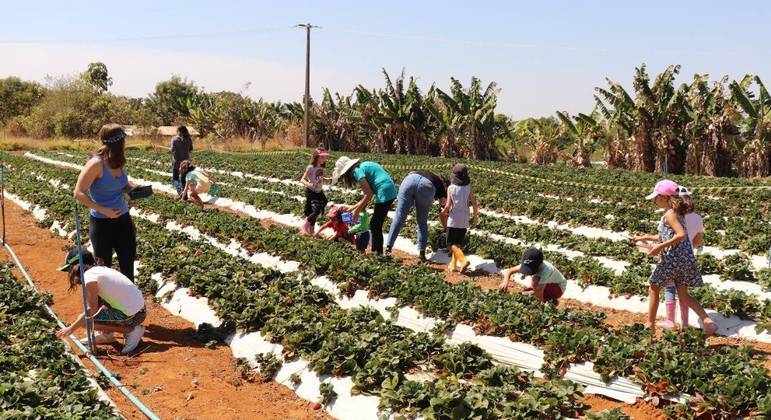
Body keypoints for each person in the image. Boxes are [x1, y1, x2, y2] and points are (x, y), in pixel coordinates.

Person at [633, 180, 717, 335]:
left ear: (665, 197)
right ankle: (707, 321)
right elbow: (666, 234)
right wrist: (646, 237)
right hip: (686, 258)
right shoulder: (679, 213)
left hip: (672, 259)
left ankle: (649, 324)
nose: (654, 201)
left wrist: (659, 247)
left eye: (656, 197)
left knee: (653, 287)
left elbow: (681, 234)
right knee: (684, 294)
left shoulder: (670, 214)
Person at [74, 124, 137, 281]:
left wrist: (133, 189)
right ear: (118, 141)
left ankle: (130, 304)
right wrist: (104, 210)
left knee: (128, 265)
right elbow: (78, 193)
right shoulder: (96, 164)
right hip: (102, 224)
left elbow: (122, 185)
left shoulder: (117, 160)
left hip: (123, 221)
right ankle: (106, 304)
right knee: (104, 269)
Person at [55, 247, 146, 354]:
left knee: (86, 322)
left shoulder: (89, 277)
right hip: (140, 309)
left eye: (70, 269)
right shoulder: (100, 270)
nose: (70, 274)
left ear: (76, 266)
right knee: (94, 308)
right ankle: (106, 334)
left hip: (134, 316)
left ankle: (132, 331)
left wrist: (70, 329)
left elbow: (91, 309)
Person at [330, 156, 397, 255]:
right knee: (376, 224)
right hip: (389, 189)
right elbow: (368, 194)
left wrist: (356, 211)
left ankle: (377, 253)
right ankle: (377, 252)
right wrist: (353, 208)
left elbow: (368, 194)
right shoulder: (363, 166)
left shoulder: (356, 171)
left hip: (384, 191)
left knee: (375, 225)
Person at [659, 186, 705, 328]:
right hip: (687, 257)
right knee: (683, 291)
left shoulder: (675, 215)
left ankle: (670, 321)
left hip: (671, 256)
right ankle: (684, 323)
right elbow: (698, 242)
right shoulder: (697, 218)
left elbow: (667, 235)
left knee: (669, 288)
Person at [385, 171, 449, 261]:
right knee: (421, 221)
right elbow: (443, 208)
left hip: (409, 180)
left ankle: (388, 248)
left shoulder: (425, 173)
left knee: (399, 216)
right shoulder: (440, 185)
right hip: (426, 186)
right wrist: (447, 227)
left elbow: (411, 174)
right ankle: (421, 254)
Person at [440, 164, 478, 272]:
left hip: (453, 219)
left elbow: (447, 206)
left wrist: (443, 213)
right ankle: (453, 265)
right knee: (458, 243)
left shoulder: (450, 188)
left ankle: (463, 260)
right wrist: (475, 218)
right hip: (464, 219)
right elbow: (474, 203)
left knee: (451, 245)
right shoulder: (469, 187)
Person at [497, 247, 567, 303]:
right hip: (545, 285)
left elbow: (539, 291)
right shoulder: (529, 262)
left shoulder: (547, 270)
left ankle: (549, 299)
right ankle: (549, 300)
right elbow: (509, 271)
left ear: (540, 264)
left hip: (558, 288)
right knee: (528, 292)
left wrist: (539, 307)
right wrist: (505, 282)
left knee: (535, 281)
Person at [299, 148, 330, 235]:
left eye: (325, 157)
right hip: (311, 191)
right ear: (316, 157)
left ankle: (311, 231)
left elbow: (319, 178)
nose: (324, 159)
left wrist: (327, 179)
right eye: (322, 157)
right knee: (315, 210)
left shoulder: (322, 168)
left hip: (319, 191)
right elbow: (302, 179)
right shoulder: (310, 167)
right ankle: (305, 225)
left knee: (323, 203)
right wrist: (310, 185)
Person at [168, 126, 194, 195]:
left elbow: (172, 150)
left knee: (175, 179)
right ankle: (184, 195)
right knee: (184, 179)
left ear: (178, 131)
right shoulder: (189, 139)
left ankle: (180, 192)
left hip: (177, 163)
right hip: (186, 163)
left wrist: (169, 151)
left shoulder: (174, 139)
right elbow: (190, 149)